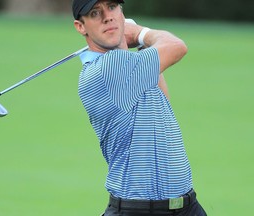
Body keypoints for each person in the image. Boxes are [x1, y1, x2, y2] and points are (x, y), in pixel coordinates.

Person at [72, 0, 207, 215]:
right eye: (96, 13)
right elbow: (177, 46)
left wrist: (141, 45)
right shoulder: (108, 69)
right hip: (140, 210)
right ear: (81, 27)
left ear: (121, 12)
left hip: (187, 207)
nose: (108, 16)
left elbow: (163, 103)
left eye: (112, 7)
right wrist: (141, 33)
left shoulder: (132, 68)